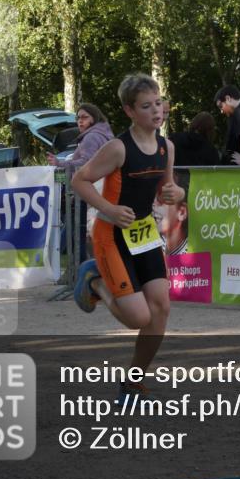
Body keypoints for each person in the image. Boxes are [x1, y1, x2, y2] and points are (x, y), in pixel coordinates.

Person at [71, 74, 185, 400]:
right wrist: (109, 208)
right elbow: (79, 180)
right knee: (138, 317)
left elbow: (167, 190)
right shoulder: (118, 148)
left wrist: (176, 193)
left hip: (143, 232)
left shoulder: (166, 147)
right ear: (129, 111)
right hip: (111, 233)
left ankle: (133, 382)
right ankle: (94, 282)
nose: (156, 110)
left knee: (160, 308)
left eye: (158, 103)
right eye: (146, 106)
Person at [48, 103, 113, 263]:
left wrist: (60, 163)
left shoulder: (91, 137)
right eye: (78, 118)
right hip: (102, 190)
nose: (80, 121)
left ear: (94, 118)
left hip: (90, 190)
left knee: (82, 232)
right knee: (84, 230)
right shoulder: (105, 134)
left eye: (85, 117)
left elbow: (86, 163)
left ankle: (79, 267)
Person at [155, 170, 190, 256]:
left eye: (162, 200)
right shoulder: (151, 246)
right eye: (152, 199)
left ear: (182, 212)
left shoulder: (197, 251)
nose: (153, 206)